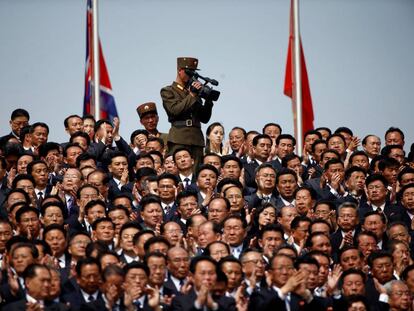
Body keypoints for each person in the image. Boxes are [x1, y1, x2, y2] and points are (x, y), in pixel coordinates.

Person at [161, 57, 215, 169]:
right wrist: (192, 95)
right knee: (177, 170)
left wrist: (208, 102)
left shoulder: (194, 92)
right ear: (180, 70)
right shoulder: (168, 91)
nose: (191, 75)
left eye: (193, 72)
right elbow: (174, 110)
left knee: (196, 173)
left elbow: (204, 118)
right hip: (179, 138)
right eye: (189, 72)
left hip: (196, 139)